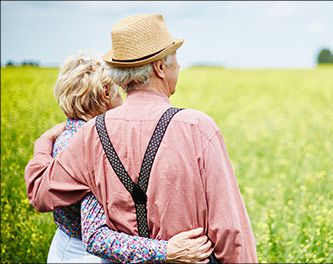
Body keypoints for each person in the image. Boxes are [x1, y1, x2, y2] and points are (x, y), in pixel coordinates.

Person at [25, 13, 257, 263]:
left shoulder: (92, 133)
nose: (178, 66)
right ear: (159, 67)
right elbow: (230, 230)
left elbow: (40, 193)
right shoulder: (197, 128)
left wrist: (43, 144)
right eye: (175, 59)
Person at [43, 52, 213, 263]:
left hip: (64, 245)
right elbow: (97, 238)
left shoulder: (67, 135)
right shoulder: (91, 144)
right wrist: (167, 250)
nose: (123, 98)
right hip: (86, 257)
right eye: (119, 90)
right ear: (106, 93)